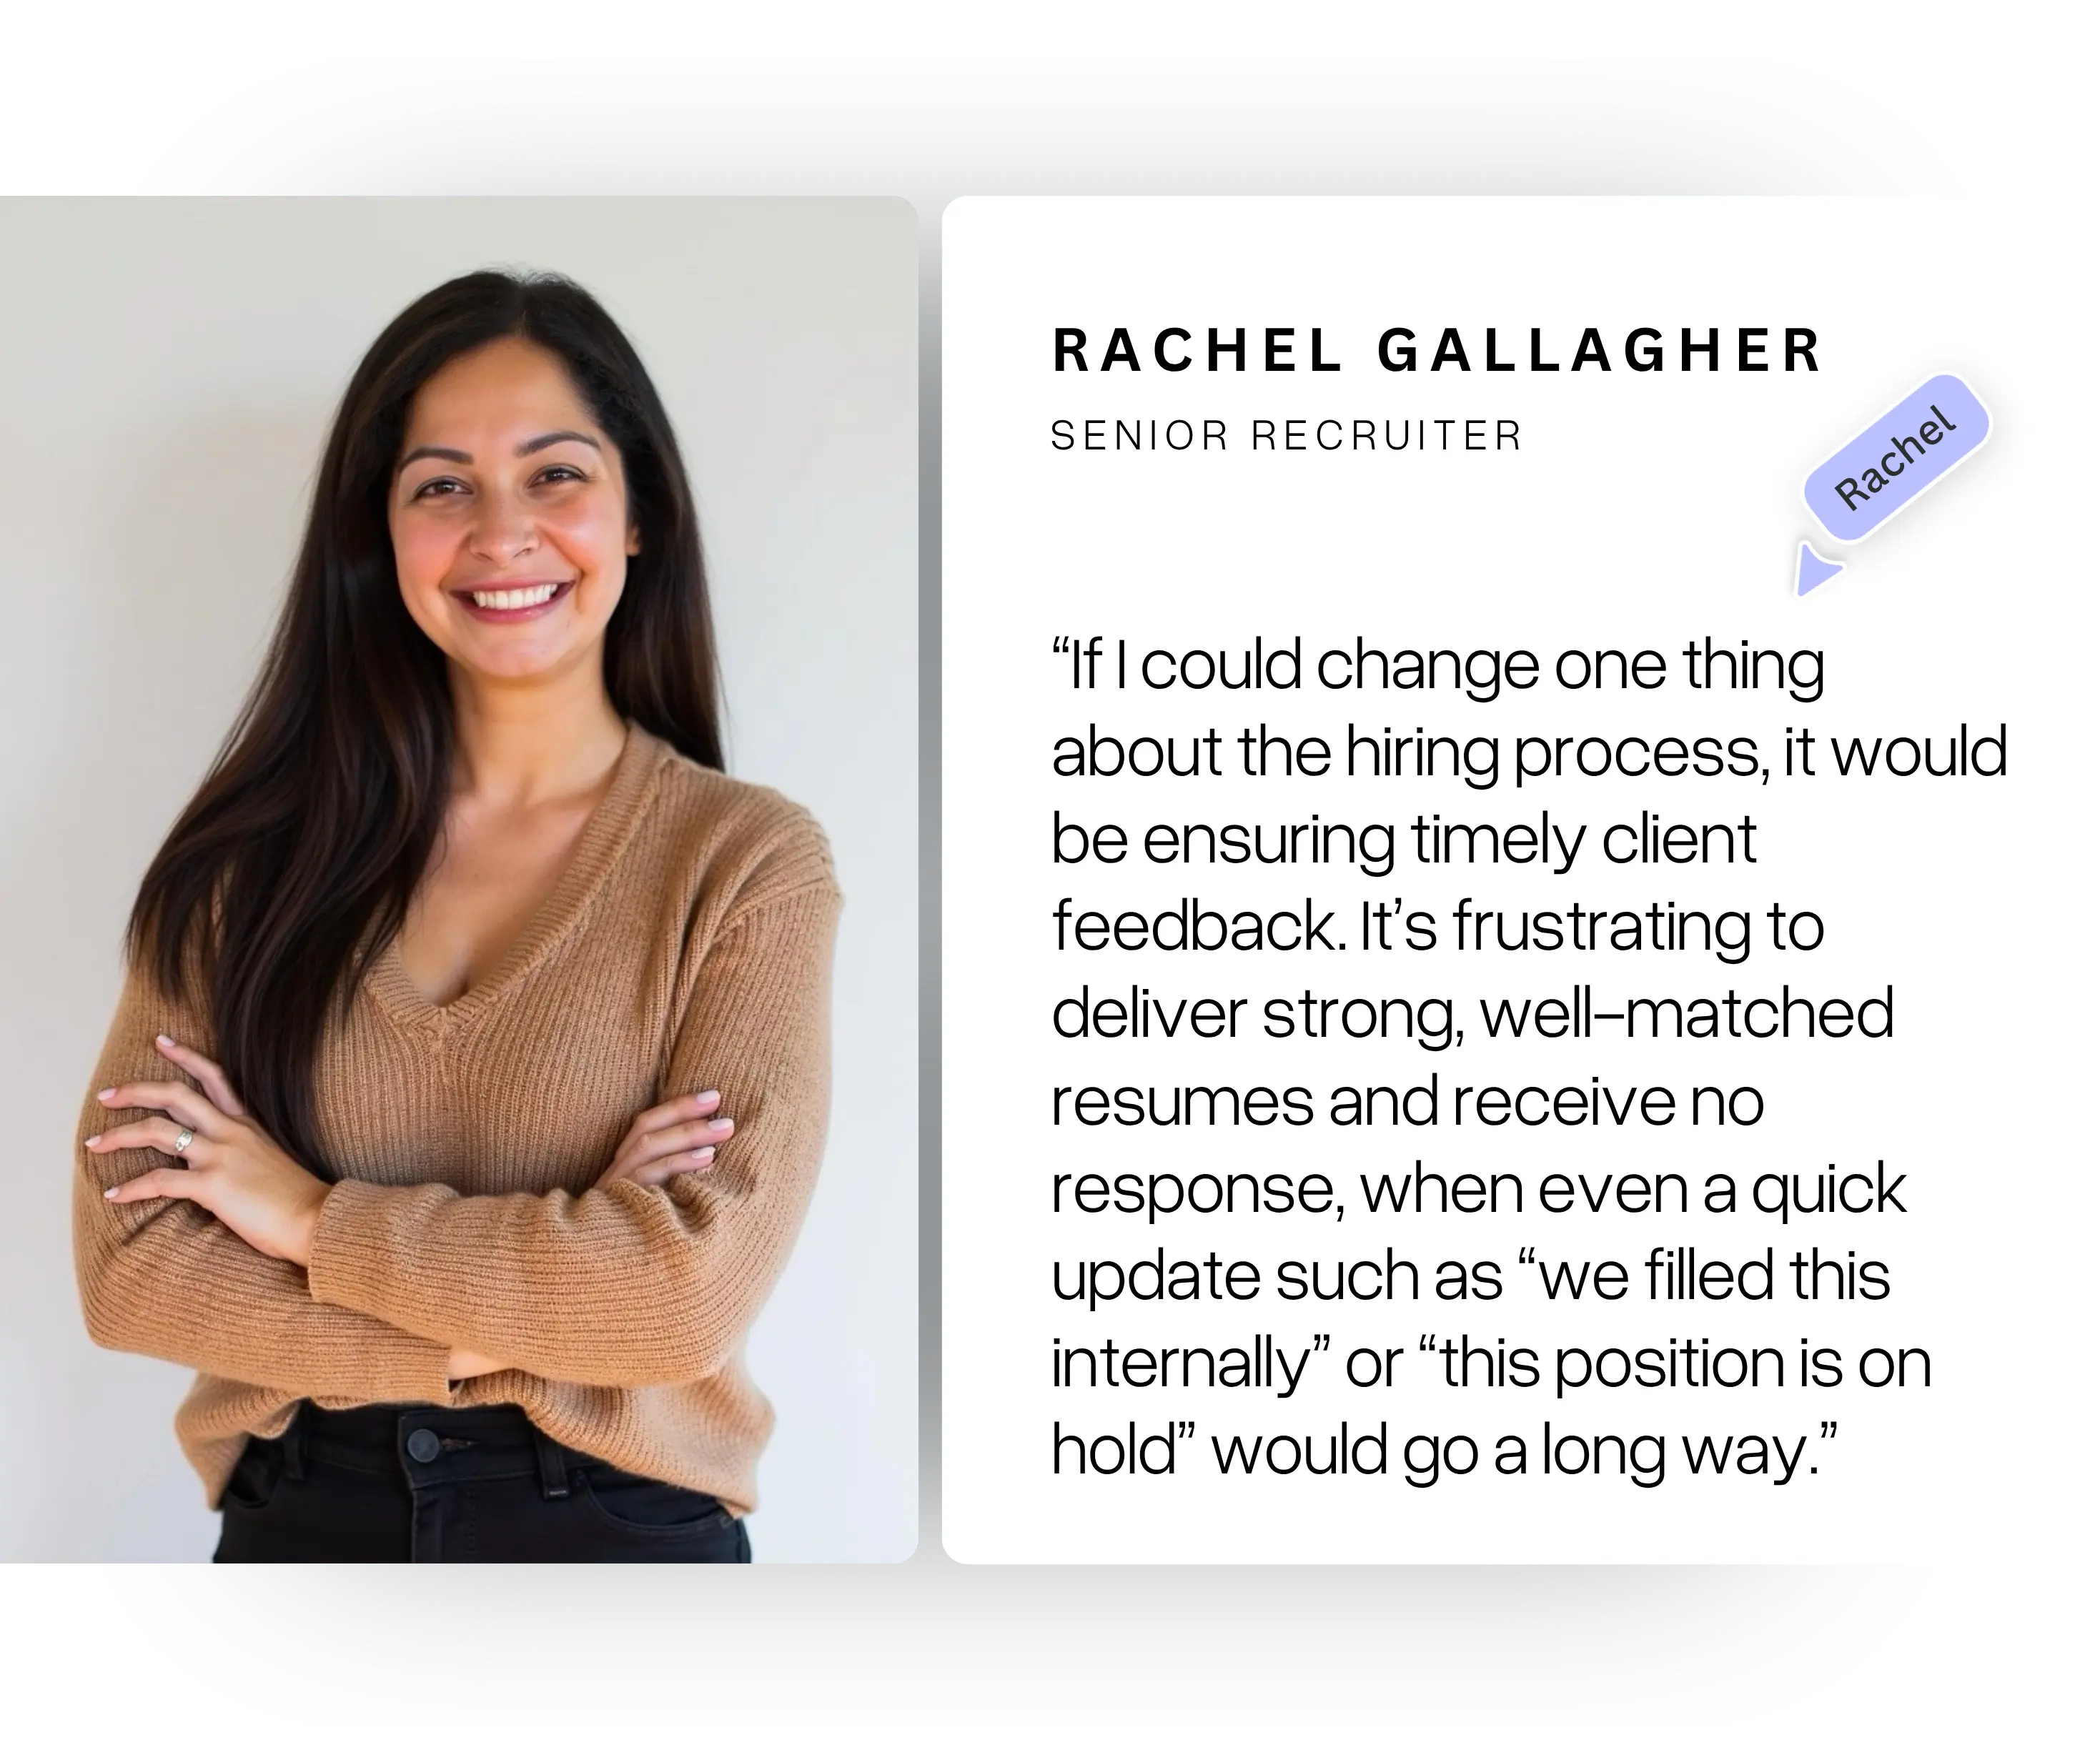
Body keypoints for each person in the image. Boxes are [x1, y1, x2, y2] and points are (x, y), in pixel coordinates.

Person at [71, 270, 841, 1563]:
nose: (502, 531)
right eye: (442, 485)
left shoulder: (743, 863)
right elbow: (134, 1272)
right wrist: (546, 1299)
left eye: (554, 475)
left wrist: (311, 1220)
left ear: (638, 510)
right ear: (381, 532)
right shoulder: (246, 864)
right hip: (301, 1531)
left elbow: (680, 1297)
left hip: (619, 1540)